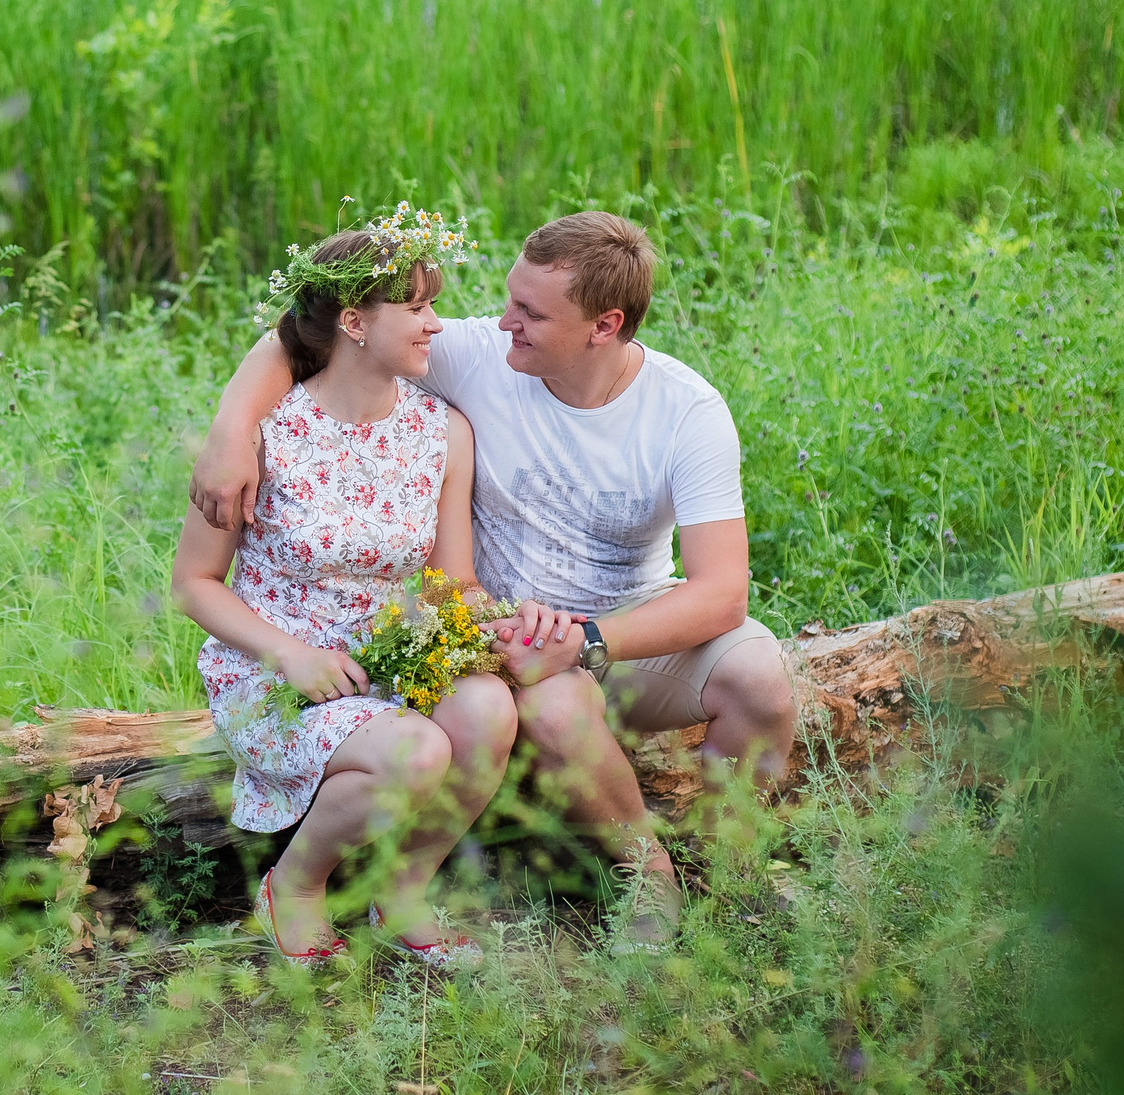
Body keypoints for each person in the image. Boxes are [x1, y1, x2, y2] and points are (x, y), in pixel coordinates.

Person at [190, 210, 794, 951]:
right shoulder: (478, 354)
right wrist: (231, 426)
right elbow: (306, 329)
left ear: (604, 327)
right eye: (510, 298)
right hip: (510, 645)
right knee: (544, 705)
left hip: (622, 629)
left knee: (761, 679)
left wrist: (588, 638)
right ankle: (649, 873)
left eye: (530, 312)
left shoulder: (684, 411)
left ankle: (729, 878)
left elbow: (723, 593)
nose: (498, 320)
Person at [172, 212, 519, 969]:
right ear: (354, 322)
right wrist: (291, 654)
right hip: (276, 675)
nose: (435, 325)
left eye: (433, 304)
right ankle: (294, 887)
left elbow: (450, 582)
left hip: (389, 664)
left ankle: (404, 889)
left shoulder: (443, 432)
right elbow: (193, 584)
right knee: (419, 750)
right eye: (416, 307)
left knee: (489, 708)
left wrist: (498, 626)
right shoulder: (264, 433)